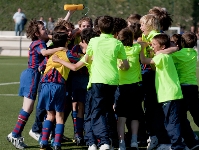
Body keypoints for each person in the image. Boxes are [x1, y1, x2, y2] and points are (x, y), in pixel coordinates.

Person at [53, 15, 129, 150]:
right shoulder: (117, 43)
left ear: (99, 28)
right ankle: (111, 141)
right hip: (113, 81)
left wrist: (60, 60)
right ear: (113, 29)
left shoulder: (94, 42)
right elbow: (125, 66)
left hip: (98, 81)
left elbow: (82, 62)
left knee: (96, 112)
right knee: (109, 111)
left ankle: (103, 141)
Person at [6, 19, 63, 149]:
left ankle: (16, 134)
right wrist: (60, 48)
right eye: (43, 29)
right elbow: (44, 53)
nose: (46, 30)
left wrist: (68, 15)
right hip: (32, 75)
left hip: (32, 75)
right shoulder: (38, 43)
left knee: (29, 108)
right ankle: (14, 134)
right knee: (28, 107)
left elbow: (55, 36)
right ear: (37, 33)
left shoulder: (41, 41)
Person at [139, 33, 186, 150]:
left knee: (170, 123)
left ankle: (176, 145)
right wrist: (153, 51)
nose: (152, 46)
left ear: (163, 47)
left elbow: (144, 60)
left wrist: (141, 48)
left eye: (154, 44)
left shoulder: (160, 57)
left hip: (168, 94)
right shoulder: (165, 57)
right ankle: (178, 143)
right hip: (174, 93)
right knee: (173, 120)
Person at [38, 26, 80, 150]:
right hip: (59, 86)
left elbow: (41, 67)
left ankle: (44, 141)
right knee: (59, 116)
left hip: (45, 85)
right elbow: (80, 61)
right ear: (67, 42)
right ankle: (56, 143)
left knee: (49, 115)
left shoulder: (51, 54)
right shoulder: (68, 54)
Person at [156, 31, 199, 150]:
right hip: (193, 86)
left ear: (182, 43)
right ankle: (191, 141)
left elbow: (164, 56)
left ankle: (185, 140)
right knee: (195, 113)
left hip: (183, 87)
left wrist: (163, 50)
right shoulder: (194, 53)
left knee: (180, 116)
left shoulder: (179, 54)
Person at [115, 27, 143, 150]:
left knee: (121, 116)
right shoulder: (137, 48)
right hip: (135, 86)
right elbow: (143, 43)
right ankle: (134, 141)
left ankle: (121, 143)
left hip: (121, 86)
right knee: (135, 116)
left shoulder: (117, 50)